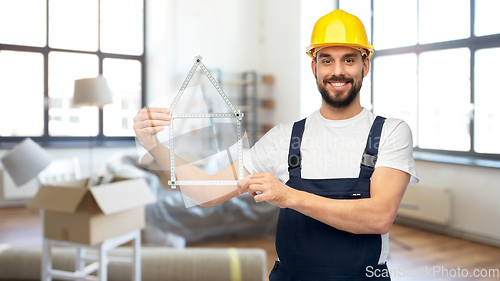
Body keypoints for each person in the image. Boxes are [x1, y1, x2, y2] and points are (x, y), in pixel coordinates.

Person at [134, 9, 418, 281]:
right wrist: (153, 145)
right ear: (314, 67)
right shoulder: (284, 137)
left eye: (349, 59)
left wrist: (288, 196)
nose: (337, 71)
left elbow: (379, 217)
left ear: (365, 65)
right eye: (327, 60)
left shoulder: (391, 132)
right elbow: (205, 193)